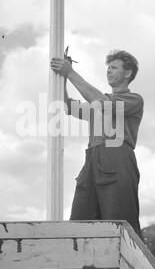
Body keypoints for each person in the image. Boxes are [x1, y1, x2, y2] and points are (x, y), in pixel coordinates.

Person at [50, 49, 144, 238]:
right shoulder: (97, 104)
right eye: (108, 67)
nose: (108, 71)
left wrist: (70, 72)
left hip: (118, 158)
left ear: (128, 73)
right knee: (79, 223)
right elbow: (67, 106)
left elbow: (103, 102)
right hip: (92, 159)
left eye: (114, 67)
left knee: (121, 226)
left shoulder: (134, 100)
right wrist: (62, 77)